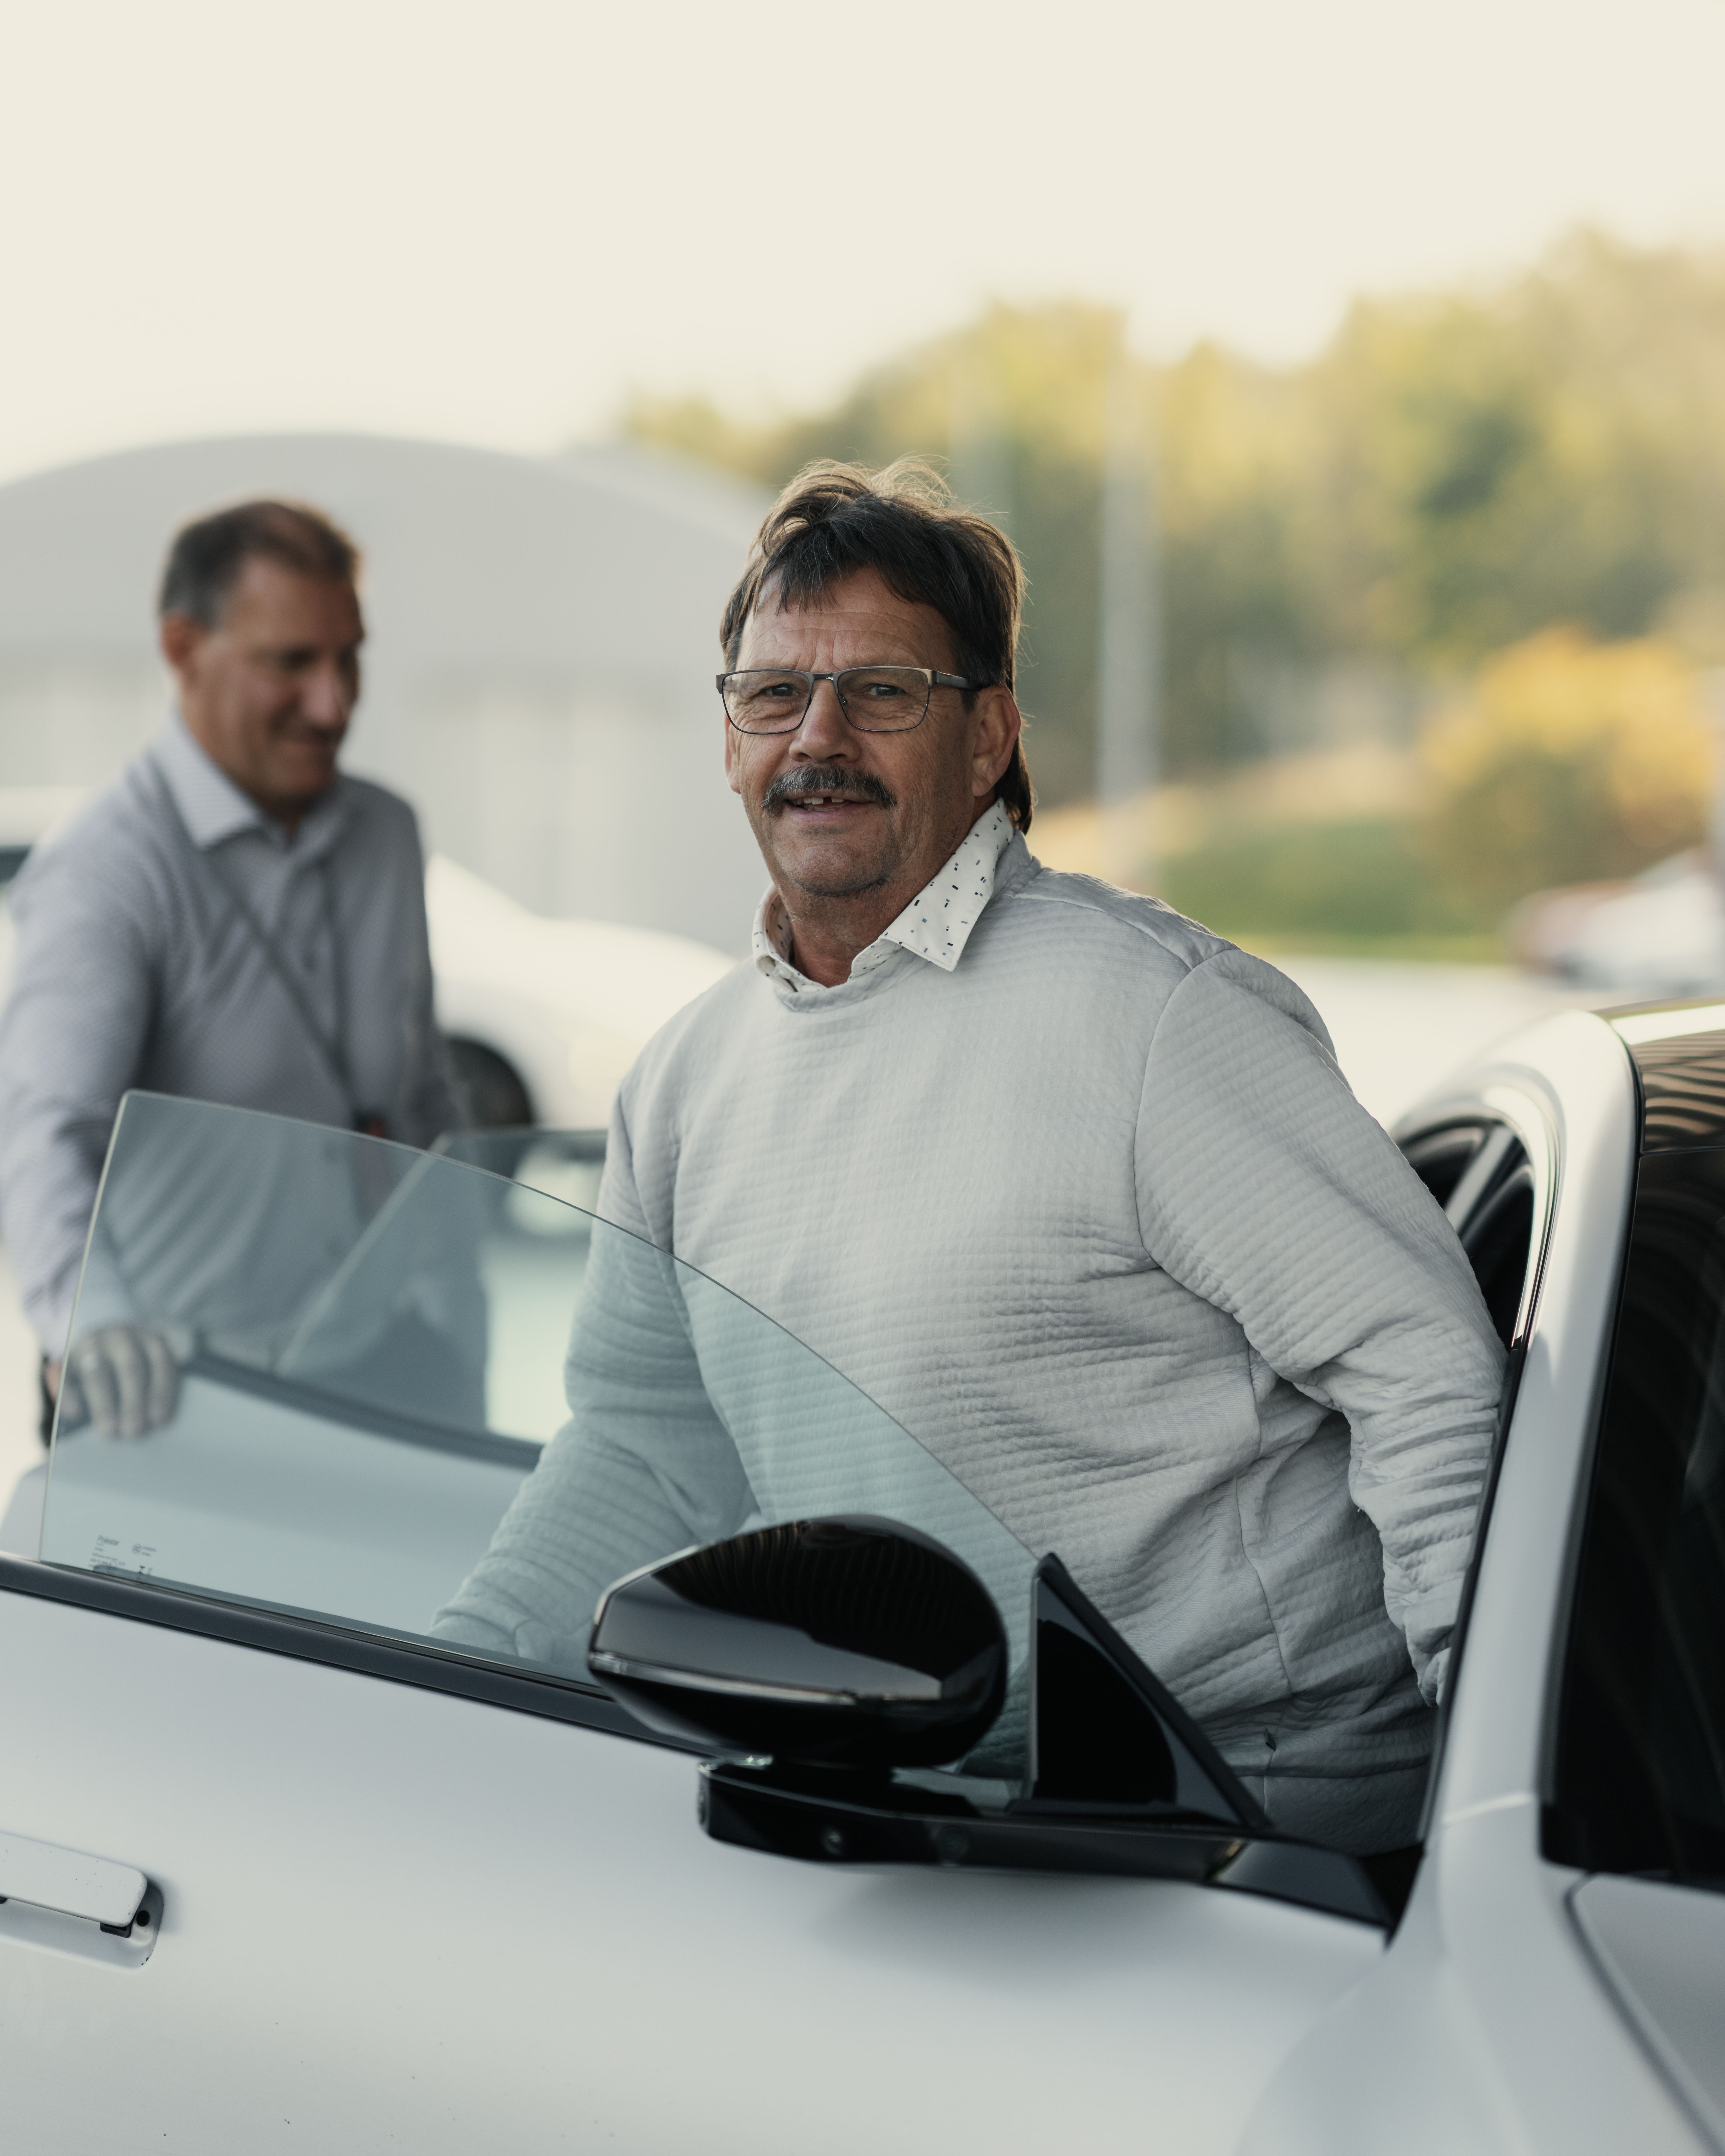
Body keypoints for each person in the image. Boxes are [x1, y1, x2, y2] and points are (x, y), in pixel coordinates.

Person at [436, 459, 1505, 1855]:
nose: (819, 737)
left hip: (1260, 1818)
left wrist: (1495, 1799)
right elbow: (644, 1453)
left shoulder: (1157, 1019)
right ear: (730, 739)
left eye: (883, 692)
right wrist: (443, 1689)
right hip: (944, 1810)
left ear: (989, 736)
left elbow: (1423, 1373)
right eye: (774, 694)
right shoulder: (685, 1082)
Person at [0, 499, 458, 1440]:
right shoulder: (105, 871)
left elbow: (422, 1098)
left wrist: (460, 1312)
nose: (334, 704)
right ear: (184, 649)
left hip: (384, 1368)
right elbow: (42, 1138)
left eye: (349, 658)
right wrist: (94, 1319)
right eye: (291, 662)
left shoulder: (388, 834)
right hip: (172, 1404)